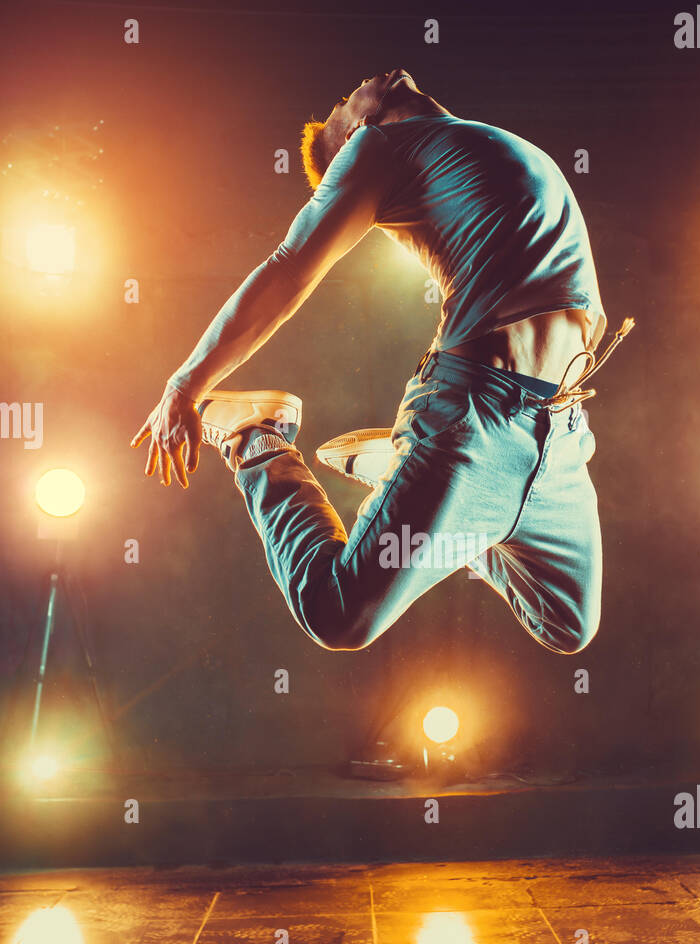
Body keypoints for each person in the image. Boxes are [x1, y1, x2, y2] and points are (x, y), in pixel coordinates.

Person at [132, 68, 629, 653]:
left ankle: (388, 470)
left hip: (559, 430)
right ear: (351, 140)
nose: (360, 88)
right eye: (345, 105)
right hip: (474, 417)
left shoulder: (472, 138)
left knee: (568, 625)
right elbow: (289, 267)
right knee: (338, 616)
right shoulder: (377, 147)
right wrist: (185, 386)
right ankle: (257, 440)